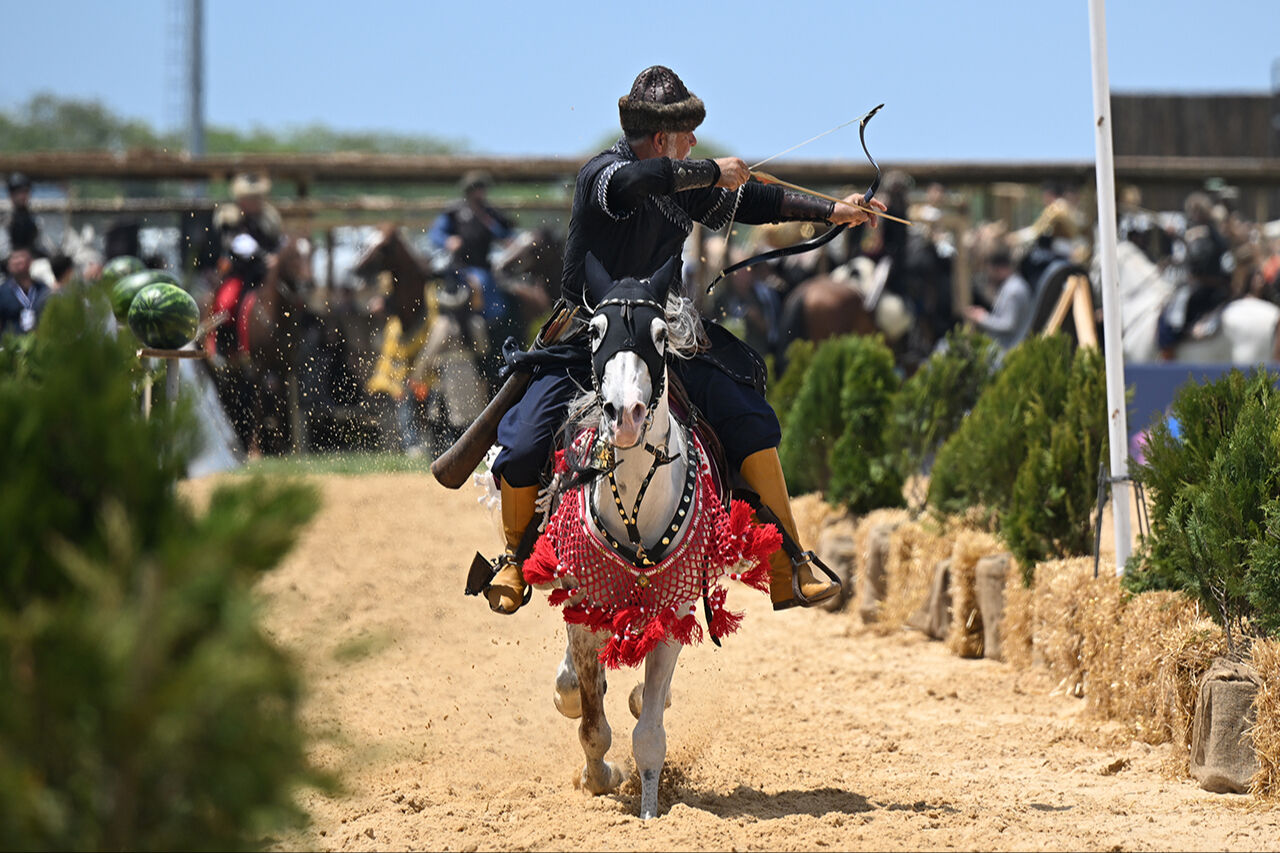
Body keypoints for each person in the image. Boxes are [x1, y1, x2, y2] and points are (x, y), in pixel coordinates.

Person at [481, 65, 885, 616]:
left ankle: (789, 561)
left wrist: (835, 211)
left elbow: (755, 204)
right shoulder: (607, 174)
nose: (694, 141)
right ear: (660, 137)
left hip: (661, 335)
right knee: (527, 440)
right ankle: (511, 558)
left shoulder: (681, 183)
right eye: (685, 134)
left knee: (746, 416)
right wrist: (709, 170)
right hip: (587, 337)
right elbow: (635, 182)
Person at [428, 171, 517, 387]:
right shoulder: (454, 212)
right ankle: (479, 326)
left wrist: (508, 238)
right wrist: (448, 240)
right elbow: (435, 234)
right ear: (469, 192)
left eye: (482, 188)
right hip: (462, 270)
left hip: (486, 266)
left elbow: (508, 234)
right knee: (481, 284)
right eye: (476, 188)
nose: (480, 192)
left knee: (503, 292)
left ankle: (497, 332)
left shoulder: (489, 214)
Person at [964, 248, 1032, 352]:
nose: (990, 276)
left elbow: (1008, 325)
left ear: (1000, 269)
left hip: (1010, 351)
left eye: (991, 271)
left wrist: (982, 318)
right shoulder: (1012, 285)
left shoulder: (1013, 290)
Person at [0, 248, 52, 336]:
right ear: (9, 266)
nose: (18, 261)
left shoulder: (42, 289)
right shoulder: (2, 292)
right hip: (13, 345)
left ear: (30, 262)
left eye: (21, 257)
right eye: (14, 258)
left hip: (41, 343)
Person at [6, 173, 47, 258]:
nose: (22, 196)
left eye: (25, 191)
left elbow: (41, 243)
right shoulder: (5, 217)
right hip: (10, 260)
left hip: (32, 259)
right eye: (18, 192)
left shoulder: (36, 217)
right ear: (11, 195)